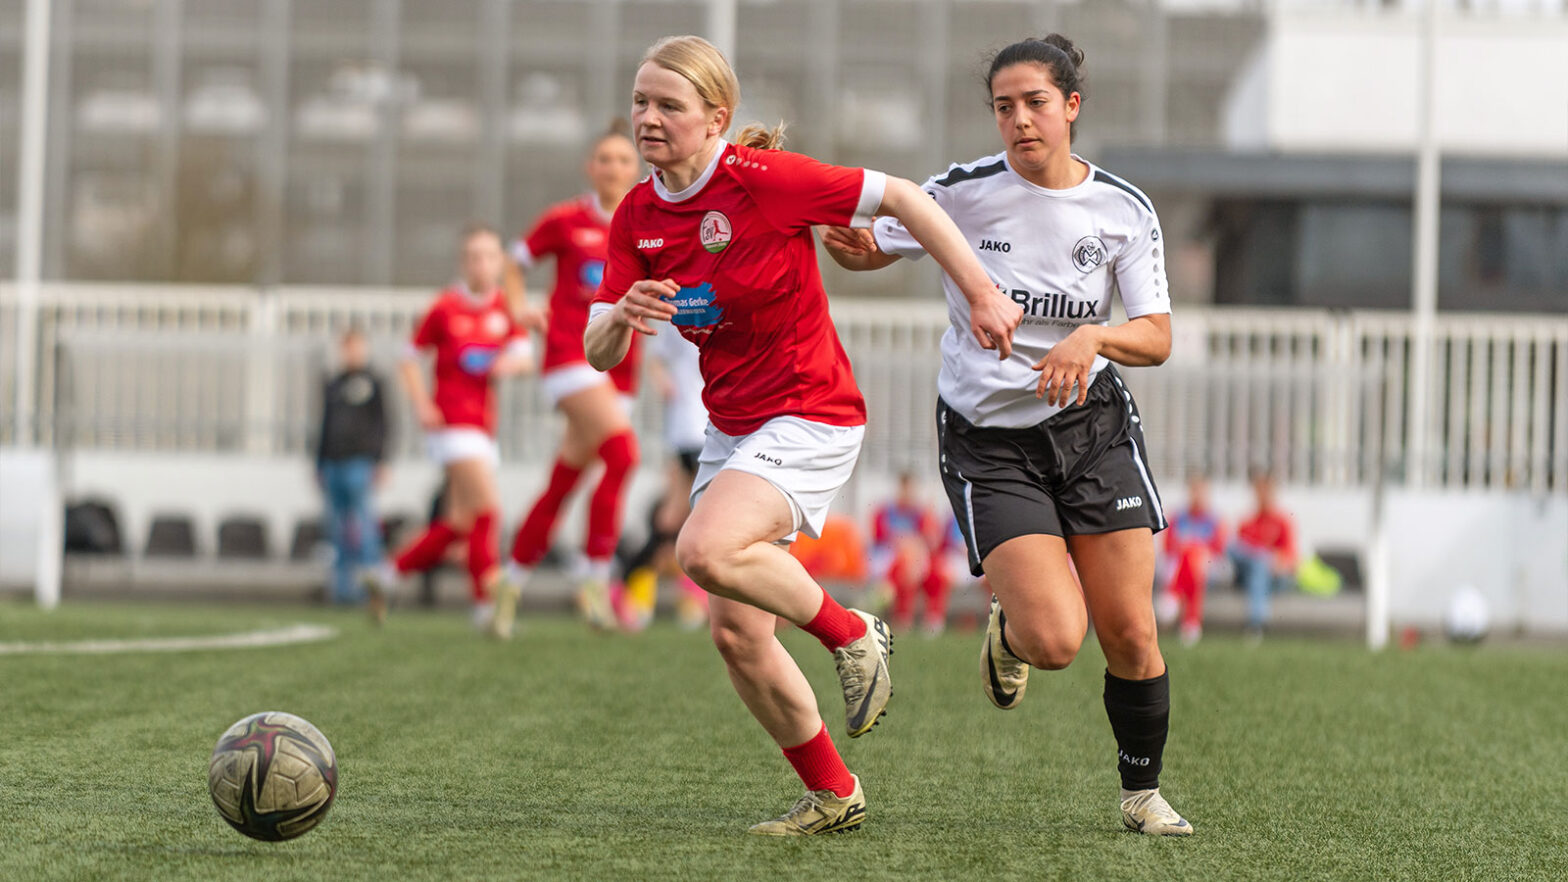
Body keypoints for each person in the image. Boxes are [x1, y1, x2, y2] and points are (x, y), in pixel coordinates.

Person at [583, 35, 1020, 836]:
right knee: (737, 635)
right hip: (734, 428)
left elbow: (906, 198)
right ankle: (834, 794)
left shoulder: (764, 180)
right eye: (641, 101)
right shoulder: (636, 217)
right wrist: (620, 316)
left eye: (668, 105)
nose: (648, 118)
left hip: (812, 411)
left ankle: (853, 633)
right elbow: (597, 350)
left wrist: (983, 293)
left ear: (716, 118)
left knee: (700, 550)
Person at [822, 35, 1192, 836]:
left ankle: (1142, 794)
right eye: (1003, 106)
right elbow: (874, 248)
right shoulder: (961, 193)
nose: (1020, 120)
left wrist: (1094, 337)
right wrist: (847, 248)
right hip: (990, 441)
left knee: (1131, 630)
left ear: (1071, 107)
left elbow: (1158, 336)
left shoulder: (1122, 209)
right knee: (1056, 641)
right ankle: (1013, 632)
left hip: (1092, 430)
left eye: (1035, 103)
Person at [503, 120, 645, 629]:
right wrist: (518, 309)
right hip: (570, 357)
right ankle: (595, 580)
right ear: (590, 167)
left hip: (622, 370)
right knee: (624, 456)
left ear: (636, 168)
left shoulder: (648, 221)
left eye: (623, 160)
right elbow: (513, 263)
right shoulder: (565, 220)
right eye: (605, 159)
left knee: (566, 479)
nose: (613, 168)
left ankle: (510, 580)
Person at [364, 225, 534, 637]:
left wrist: (506, 365)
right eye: (473, 257)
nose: (481, 264)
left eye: (488, 256)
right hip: (452, 426)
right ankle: (486, 605)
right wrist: (422, 404)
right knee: (488, 510)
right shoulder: (445, 307)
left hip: (483, 427)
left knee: (460, 522)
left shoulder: (504, 307)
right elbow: (408, 357)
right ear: (463, 262)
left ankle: (388, 574)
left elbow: (526, 357)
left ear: (498, 262)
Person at [615, 322, 710, 631]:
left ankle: (633, 588)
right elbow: (656, 358)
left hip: (711, 429)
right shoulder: (681, 313)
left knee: (675, 520)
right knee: (700, 520)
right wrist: (665, 384)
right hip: (693, 430)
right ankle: (641, 589)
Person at [315, 327, 390, 605]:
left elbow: (384, 424)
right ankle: (342, 591)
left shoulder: (374, 382)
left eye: (356, 347)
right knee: (336, 530)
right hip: (333, 464)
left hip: (361, 463)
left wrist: (381, 461)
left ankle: (372, 588)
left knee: (365, 527)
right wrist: (319, 462)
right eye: (347, 348)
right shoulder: (333, 383)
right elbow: (324, 425)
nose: (351, 353)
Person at [870, 472, 949, 635]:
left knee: (933, 570)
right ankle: (901, 615)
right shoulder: (886, 512)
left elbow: (930, 541)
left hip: (915, 559)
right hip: (890, 556)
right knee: (903, 569)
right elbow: (879, 538)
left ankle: (932, 617)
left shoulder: (921, 514)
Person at [1159, 474, 1225, 646]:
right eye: (1194, 490)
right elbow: (1168, 546)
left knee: (1194, 559)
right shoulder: (1178, 518)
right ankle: (1191, 622)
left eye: (1201, 491)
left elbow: (1218, 549)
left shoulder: (1214, 519)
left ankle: (1172, 594)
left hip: (1206, 565)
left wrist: (1196, 549)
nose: (1197, 495)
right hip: (1181, 563)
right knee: (1189, 559)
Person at [1230, 470, 1297, 639]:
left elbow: (1289, 559)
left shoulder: (1282, 522)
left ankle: (1256, 623)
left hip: (1275, 578)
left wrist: (1271, 561)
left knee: (1260, 564)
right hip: (1250, 576)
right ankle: (1257, 624)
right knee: (1244, 554)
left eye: (1267, 490)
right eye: (1260, 490)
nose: (1264, 495)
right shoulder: (1247, 523)